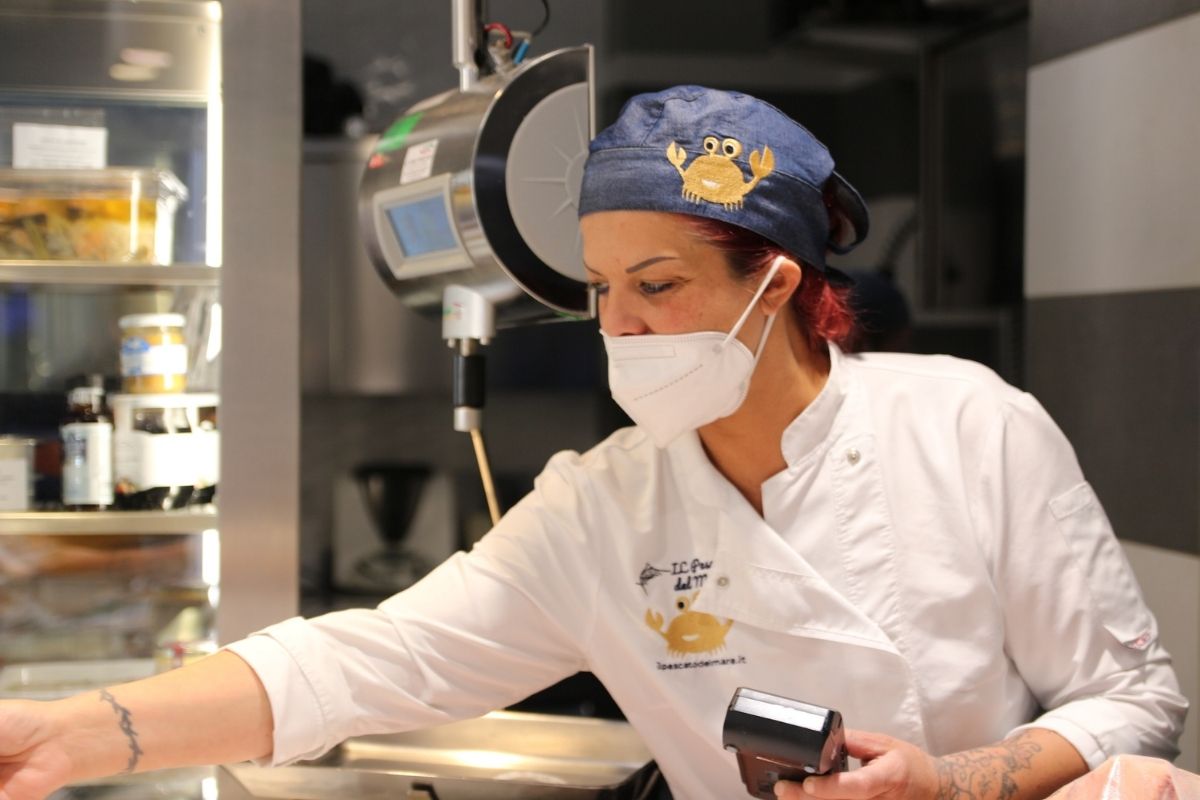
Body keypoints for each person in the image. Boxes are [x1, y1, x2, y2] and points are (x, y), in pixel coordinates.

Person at [0, 86, 1186, 800]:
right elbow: (362, 659)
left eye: (657, 285)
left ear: (775, 283)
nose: (619, 325)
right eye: (601, 288)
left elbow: (1132, 699)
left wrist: (953, 782)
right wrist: (72, 731)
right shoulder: (604, 506)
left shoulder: (969, 425)